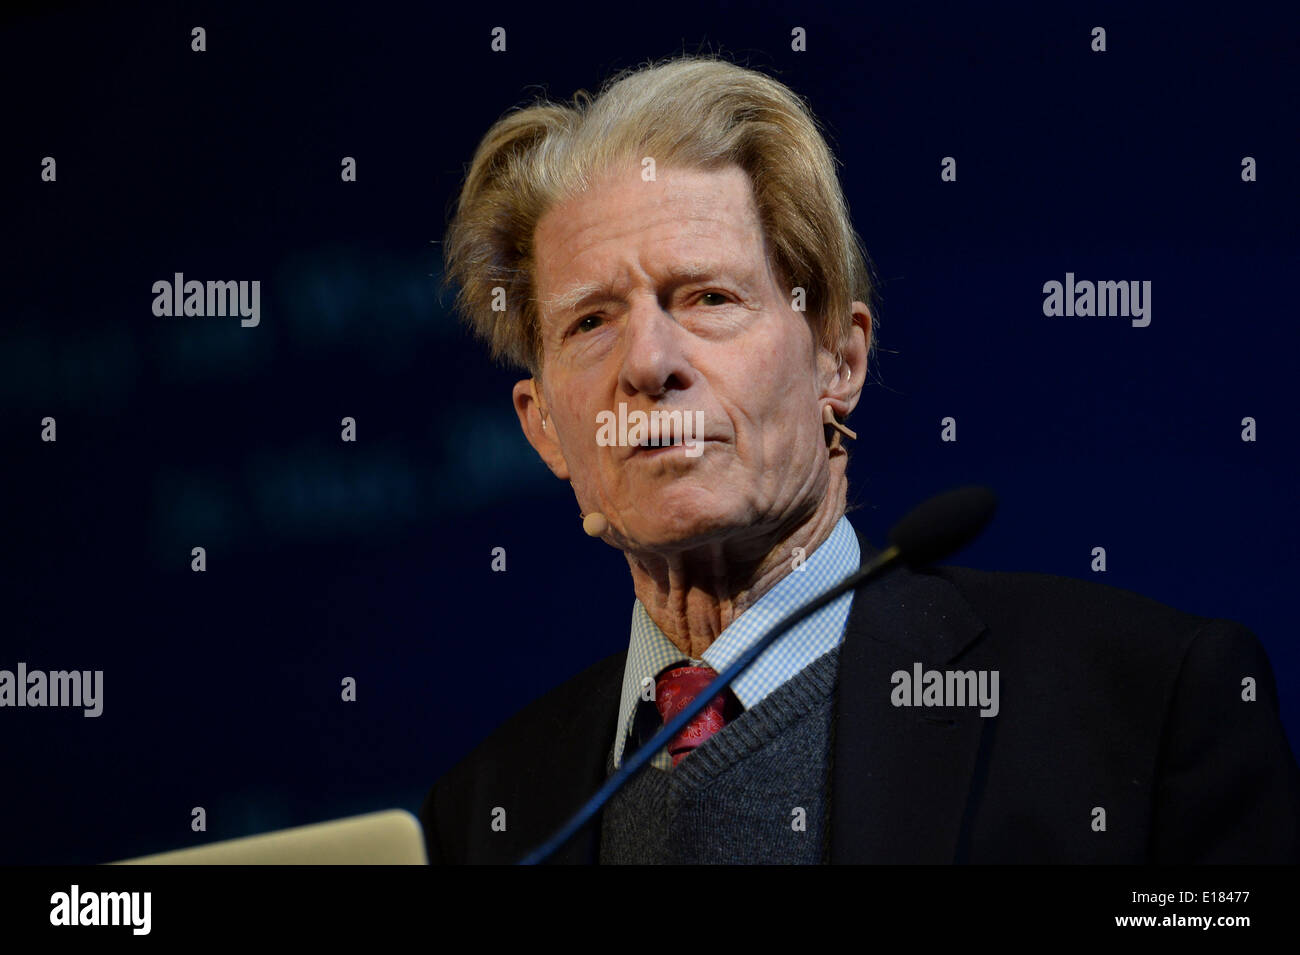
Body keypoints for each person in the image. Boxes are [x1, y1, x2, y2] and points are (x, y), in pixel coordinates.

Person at [421, 55, 1300, 864]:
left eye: (709, 296)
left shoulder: (1141, 707)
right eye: (590, 321)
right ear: (543, 430)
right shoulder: (485, 814)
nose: (649, 362)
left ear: (837, 360)